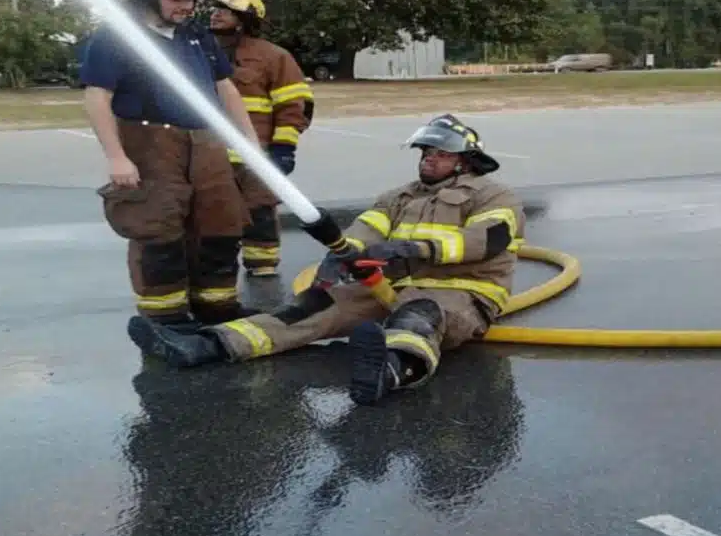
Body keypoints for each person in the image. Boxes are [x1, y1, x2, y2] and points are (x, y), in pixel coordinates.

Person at [125, 114, 525, 406]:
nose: (427, 160)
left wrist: (412, 249)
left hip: (461, 293)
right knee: (311, 306)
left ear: (465, 161)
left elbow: (487, 239)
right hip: (388, 286)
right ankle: (206, 345)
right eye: (425, 153)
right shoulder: (399, 196)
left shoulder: (493, 195)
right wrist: (342, 256)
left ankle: (388, 372)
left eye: (439, 155)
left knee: (418, 317)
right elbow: (367, 230)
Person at [79, 0, 264, 329]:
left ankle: (218, 307)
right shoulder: (117, 37)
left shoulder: (196, 35)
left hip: (207, 142)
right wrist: (117, 157)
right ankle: (166, 317)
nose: (187, 7)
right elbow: (97, 97)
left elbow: (224, 87)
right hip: (151, 143)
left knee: (220, 222)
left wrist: (249, 141)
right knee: (158, 228)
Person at [207, 0, 315, 278]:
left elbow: (294, 106)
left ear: (246, 18)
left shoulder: (273, 57)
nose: (216, 14)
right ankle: (217, 270)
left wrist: (284, 149)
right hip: (209, 154)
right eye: (215, 9)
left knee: (260, 209)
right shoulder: (198, 51)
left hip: (256, 153)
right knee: (213, 213)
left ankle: (262, 267)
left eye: (226, 10)